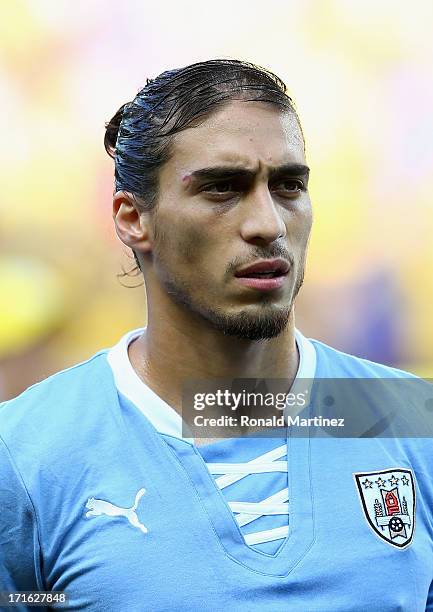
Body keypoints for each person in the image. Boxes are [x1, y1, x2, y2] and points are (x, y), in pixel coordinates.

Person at [0, 59, 432, 611]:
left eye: (288, 185)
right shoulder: (28, 454)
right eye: (222, 189)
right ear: (133, 218)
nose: (268, 224)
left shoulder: (410, 421)